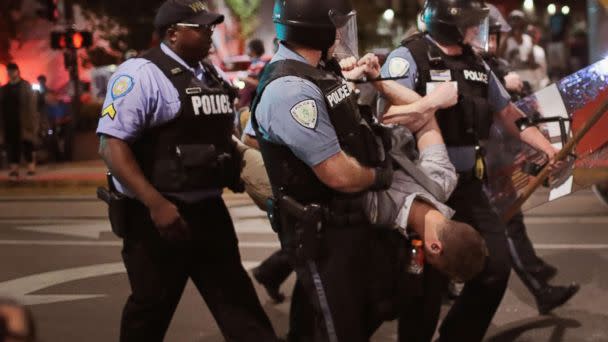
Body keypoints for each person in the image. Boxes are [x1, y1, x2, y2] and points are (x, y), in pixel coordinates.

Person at [252, 0, 486, 340]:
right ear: (313, 26)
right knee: (339, 328)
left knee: (333, 320)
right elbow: (339, 175)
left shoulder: (322, 71)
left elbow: (411, 123)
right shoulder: (290, 89)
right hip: (323, 231)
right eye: (335, 24)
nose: (340, 34)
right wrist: (380, 176)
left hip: (345, 231)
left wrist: (378, 80)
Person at [379, 0, 569, 340]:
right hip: (424, 194)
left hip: (468, 187)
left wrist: (547, 148)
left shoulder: (476, 63)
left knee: (495, 266)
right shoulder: (407, 58)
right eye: (469, 24)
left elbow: (508, 112)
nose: (476, 31)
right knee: (423, 285)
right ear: (448, 24)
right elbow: (385, 118)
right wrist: (430, 103)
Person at [95, 1, 279, 341]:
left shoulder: (210, 74)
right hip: (157, 218)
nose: (210, 32)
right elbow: (111, 146)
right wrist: (156, 204)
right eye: (200, 27)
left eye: (210, 26)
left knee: (239, 305)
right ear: (173, 34)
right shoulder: (141, 74)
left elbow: (223, 137)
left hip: (208, 212)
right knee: (149, 311)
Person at [480, 4, 579, 316]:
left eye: (495, 36)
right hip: (470, 166)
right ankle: (539, 287)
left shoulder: (492, 64)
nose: (492, 43)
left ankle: (534, 273)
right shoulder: (458, 66)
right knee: (502, 228)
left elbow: (512, 114)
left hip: (496, 159)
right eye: (487, 35)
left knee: (510, 221)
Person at [0, 63, 38, 180]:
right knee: (12, 146)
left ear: (17, 71)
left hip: (24, 120)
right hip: (9, 121)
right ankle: (14, 170)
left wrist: (33, 122)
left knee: (27, 144)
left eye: (13, 71)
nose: (11, 73)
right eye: (9, 71)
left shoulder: (25, 86)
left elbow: (32, 105)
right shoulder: (4, 89)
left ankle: (31, 168)